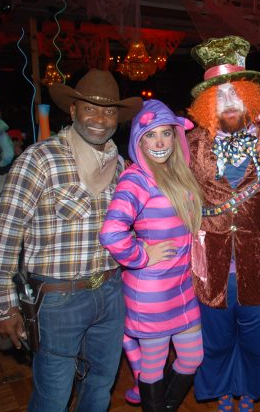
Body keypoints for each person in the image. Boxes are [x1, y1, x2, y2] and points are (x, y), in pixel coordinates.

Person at [0, 68, 142, 411]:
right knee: (53, 396)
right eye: (90, 109)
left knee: (100, 387)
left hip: (111, 291)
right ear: (73, 110)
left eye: (109, 111)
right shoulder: (39, 159)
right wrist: (2, 306)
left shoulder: (121, 166)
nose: (100, 119)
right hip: (58, 299)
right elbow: (6, 235)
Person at [186, 35, 260, 411]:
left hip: (259, 263)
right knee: (215, 338)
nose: (229, 102)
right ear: (208, 103)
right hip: (209, 265)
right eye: (220, 96)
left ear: (249, 97)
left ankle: (249, 388)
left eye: (235, 93)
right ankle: (222, 389)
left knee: (256, 337)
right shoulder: (190, 144)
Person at [99, 99, 204, 411]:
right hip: (152, 292)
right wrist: (142, 255)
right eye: (150, 135)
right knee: (153, 367)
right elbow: (111, 232)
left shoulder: (179, 174)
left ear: (175, 136)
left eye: (165, 134)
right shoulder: (136, 179)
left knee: (192, 357)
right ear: (139, 141)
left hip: (182, 286)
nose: (159, 143)